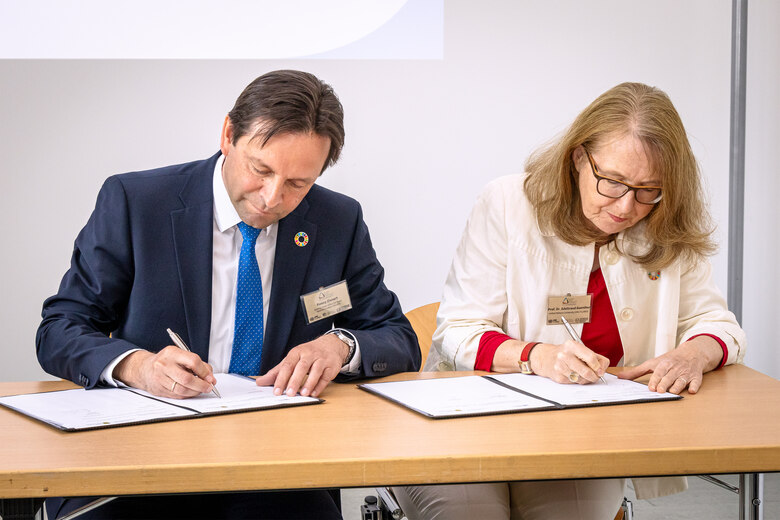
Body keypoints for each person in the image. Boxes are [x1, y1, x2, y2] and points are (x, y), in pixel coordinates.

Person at [36, 69, 420, 520]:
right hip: (139, 461)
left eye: (298, 183)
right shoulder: (137, 202)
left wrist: (340, 345)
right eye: (261, 170)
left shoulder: (337, 220)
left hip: (279, 468)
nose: (272, 198)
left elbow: (397, 336)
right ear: (228, 135)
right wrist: (138, 367)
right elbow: (60, 329)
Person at [393, 82, 746, 519]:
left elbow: (718, 324)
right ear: (579, 157)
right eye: (612, 181)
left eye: (648, 189)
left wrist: (694, 353)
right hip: (465, 421)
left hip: (581, 433)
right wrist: (536, 356)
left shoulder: (666, 225)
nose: (626, 206)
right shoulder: (508, 203)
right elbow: (458, 330)